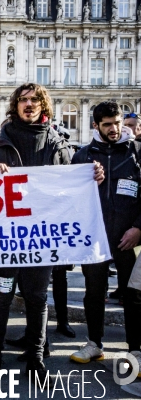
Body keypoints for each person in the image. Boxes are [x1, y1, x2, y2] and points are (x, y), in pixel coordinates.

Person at [0, 83, 104, 386]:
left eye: (35, 100)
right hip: (6, 237)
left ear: (43, 106)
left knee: (36, 298)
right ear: (15, 105)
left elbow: (72, 185)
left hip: (42, 238)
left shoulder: (58, 144)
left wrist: (92, 176)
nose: (29, 104)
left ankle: (35, 357)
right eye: (23, 100)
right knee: (1, 298)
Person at [70, 101, 141, 365]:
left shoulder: (137, 152)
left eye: (118, 123)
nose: (114, 129)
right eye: (107, 124)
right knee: (93, 292)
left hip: (128, 238)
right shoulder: (83, 156)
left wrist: (138, 229)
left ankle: (136, 349)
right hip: (95, 239)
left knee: (133, 295)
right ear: (96, 125)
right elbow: (70, 198)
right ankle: (94, 344)